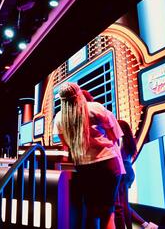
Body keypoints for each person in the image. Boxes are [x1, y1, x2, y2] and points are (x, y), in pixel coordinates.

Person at [53, 83, 124, 229]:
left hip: (84, 168)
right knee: (107, 214)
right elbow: (114, 136)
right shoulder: (94, 107)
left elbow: (66, 145)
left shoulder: (59, 118)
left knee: (91, 212)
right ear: (79, 93)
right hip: (107, 163)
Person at [115, 120, 159, 229]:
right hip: (129, 170)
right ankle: (147, 225)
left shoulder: (120, 139)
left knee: (122, 206)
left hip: (123, 170)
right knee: (123, 204)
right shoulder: (131, 141)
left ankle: (136, 226)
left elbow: (117, 156)